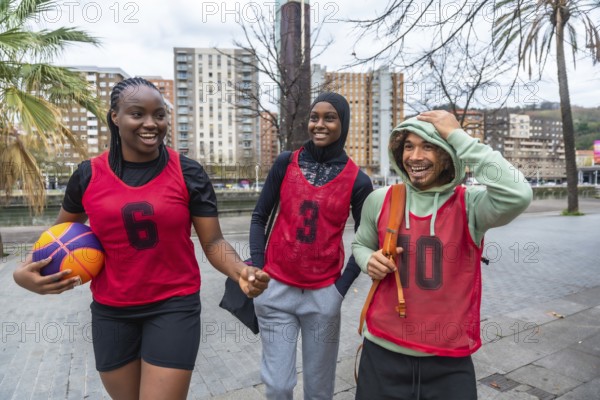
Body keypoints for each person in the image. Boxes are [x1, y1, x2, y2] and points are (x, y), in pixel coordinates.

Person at [13, 77, 270, 400]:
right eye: (138, 114)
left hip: (173, 306)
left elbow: (214, 242)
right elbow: (55, 241)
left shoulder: (188, 173)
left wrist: (240, 271)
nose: (151, 123)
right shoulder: (87, 175)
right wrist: (23, 275)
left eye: (159, 115)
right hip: (111, 311)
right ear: (115, 117)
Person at [352, 110, 533, 400]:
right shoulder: (380, 199)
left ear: (448, 154)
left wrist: (457, 134)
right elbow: (360, 245)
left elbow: (519, 194)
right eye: (408, 146)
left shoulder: (471, 205)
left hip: (449, 360)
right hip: (382, 351)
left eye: (428, 146)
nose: (414, 156)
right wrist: (368, 260)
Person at [250, 92, 373, 399]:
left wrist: (339, 290)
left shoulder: (358, 180)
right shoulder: (285, 163)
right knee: (278, 386)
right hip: (276, 291)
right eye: (314, 117)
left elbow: (365, 239)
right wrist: (257, 267)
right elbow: (259, 216)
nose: (319, 124)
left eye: (329, 118)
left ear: (342, 124)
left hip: (323, 296)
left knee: (319, 391)